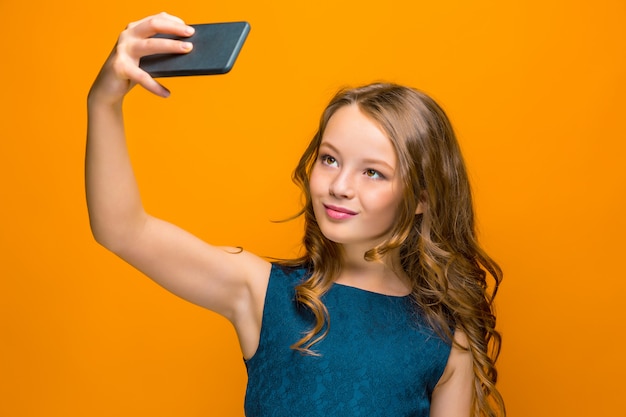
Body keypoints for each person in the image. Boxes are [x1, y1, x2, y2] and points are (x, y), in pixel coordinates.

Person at [86, 12, 505, 417]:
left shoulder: (446, 340)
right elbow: (123, 229)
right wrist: (103, 100)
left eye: (373, 172)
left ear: (423, 198)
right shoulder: (260, 291)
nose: (340, 185)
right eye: (330, 159)